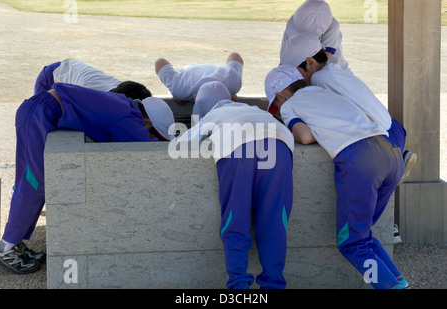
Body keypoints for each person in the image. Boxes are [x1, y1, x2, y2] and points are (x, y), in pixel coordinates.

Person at [0, 83, 175, 274]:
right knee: (34, 184)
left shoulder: (125, 105)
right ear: (147, 121)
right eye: (153, 131)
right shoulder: (127, 118)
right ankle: (6, 248)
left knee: (32, 182)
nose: (149, 132)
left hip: (39, 109)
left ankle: (14, 245)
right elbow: (147, 149)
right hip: (41, 112)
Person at [265, 65, 409, 289]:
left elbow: (304, 136)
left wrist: (316, 127)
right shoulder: (328, 92)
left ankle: (389, 287)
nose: (277, 108)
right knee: (363, 234)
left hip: (360, 161)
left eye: (275, 104)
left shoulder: (289, 104)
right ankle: (399, 283)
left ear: (279, 96)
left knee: (351, 243)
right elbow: (370, 117)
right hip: (390, 153)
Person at [174, 81, 294, 289]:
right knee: (275, 221)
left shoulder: (213, 115)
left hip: (239, 147)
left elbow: (180, 144)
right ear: (232, 98)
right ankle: (273, 284)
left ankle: (239, 285)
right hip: (279, 144)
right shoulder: (255, 110)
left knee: (235, 220)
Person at [278, 32, 417, 184]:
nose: (292, 77)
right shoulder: (332, 70)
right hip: (392, 127)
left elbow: (330, 119)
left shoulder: (319, 80)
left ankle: (396, 161)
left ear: (310, 63)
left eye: (293, 71)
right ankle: (399, 159)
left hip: (381, 139)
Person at [280, 0, 351, 72]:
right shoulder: (293, 26)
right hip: (305, 71)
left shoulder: (332, 26)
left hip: (334, 71)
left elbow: (322, 63)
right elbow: (285, 59)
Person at [34, 58, 152, 101]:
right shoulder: (89, 93)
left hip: (74, 68)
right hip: (51, 75)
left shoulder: (127, 89)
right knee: (38, 116)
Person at [154, 52, 243, 105]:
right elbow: (160, 62)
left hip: (188, 75)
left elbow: (159, 61)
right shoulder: (233, 84)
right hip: (186, 80)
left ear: (195, 97)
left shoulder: (233, 84)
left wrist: (229, 92)